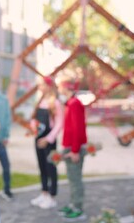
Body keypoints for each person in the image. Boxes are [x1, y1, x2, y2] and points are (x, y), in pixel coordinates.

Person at [56, 74, 87, 222]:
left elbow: (78, 129)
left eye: (59, 85)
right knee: (72, 178)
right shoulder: (70, 103)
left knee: (75, 180)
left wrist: (75, 151)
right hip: (70, 147)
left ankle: (78, 209)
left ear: (65, 87)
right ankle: (73, 203)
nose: (58, 88)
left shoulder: (74, 103)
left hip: (74, 149)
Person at [29, 76, 63, 209]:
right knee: (42, 166)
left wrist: (48, 139)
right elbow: (34, 118)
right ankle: (44, 193)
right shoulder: (40, 101)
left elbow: (59, 124)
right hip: (38, 138)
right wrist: (33, 128)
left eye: (42, 85)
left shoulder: (56, 103)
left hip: (49, 141)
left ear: (49, 86)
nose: (40, 87)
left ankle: (52, 196)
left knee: (51, 168)